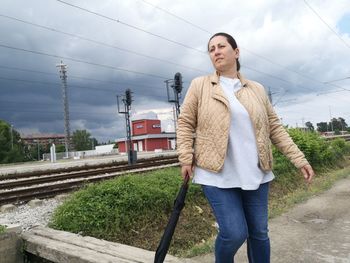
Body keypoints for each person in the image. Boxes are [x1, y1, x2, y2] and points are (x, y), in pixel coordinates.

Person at [176, 32, 315, 263]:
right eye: (211, 49)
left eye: (221, 46)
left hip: (256, 173)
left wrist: (299, 159)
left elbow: (275, 128)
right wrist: (185, 157)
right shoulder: (200, 85)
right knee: (233, 233)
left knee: (259, 234)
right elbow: (185, 122)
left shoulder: (256, 89)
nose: (216, 51)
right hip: (216, 174)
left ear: (236, 52)